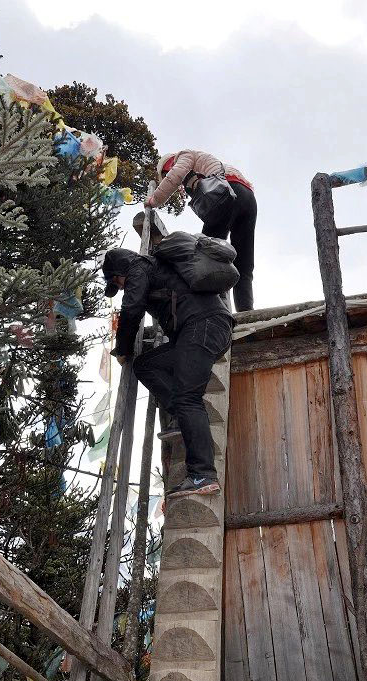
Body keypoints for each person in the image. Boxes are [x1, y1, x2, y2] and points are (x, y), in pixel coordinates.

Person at [101, 247, 233, 499]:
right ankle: (182, 417)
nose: (120, 289)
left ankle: (202, 474)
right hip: (205, 328)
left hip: (201, 326)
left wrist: (122, 348)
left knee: (188, 399)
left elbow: (131, 309)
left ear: (119, 273)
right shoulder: (155, 268)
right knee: (146, 365)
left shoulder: (138, 268)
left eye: (116, 283)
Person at [145, 150, 257, 313]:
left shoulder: (182, 156)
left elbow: (175, 174)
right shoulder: (209, 165)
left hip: (225, 194)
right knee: (244, 262)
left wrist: (154, 200)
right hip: (248, 198)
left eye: (165, 173)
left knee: (207, 256)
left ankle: (212, 311)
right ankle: (246, 312)